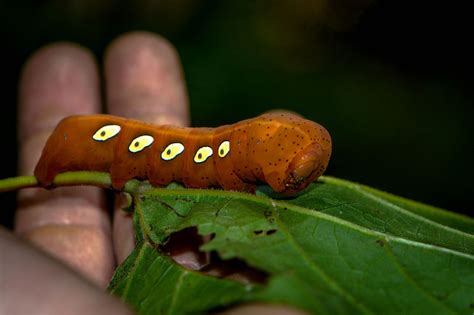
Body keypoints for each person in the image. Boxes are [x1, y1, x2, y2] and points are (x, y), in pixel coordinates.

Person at [0, 31, 306, 315]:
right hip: (85, 136)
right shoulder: (232, 155)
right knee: (126, 142)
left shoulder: (241, 156)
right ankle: (56, 160)